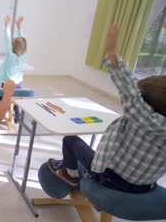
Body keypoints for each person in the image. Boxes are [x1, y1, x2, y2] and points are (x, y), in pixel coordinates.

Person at [47, 23, 166, 193]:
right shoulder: (155, 118)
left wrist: (112, 54)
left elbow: (130, 93)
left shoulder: (149, 120)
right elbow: (133, 91)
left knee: (70, 140)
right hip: (146, 186)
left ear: (151, 109)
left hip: (112, 179)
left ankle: (70, 174)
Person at [0, 15, 27, 122]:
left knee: (1, 98)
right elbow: (23, 41)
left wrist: (7, 26)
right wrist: (19, 27)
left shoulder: (10, 56)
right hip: (18, 85)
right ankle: (17, 116)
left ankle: (1, 112)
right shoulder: (23, 57)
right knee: (15, 100)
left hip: (7, 83)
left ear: (12, 47)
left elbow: (7, 39)